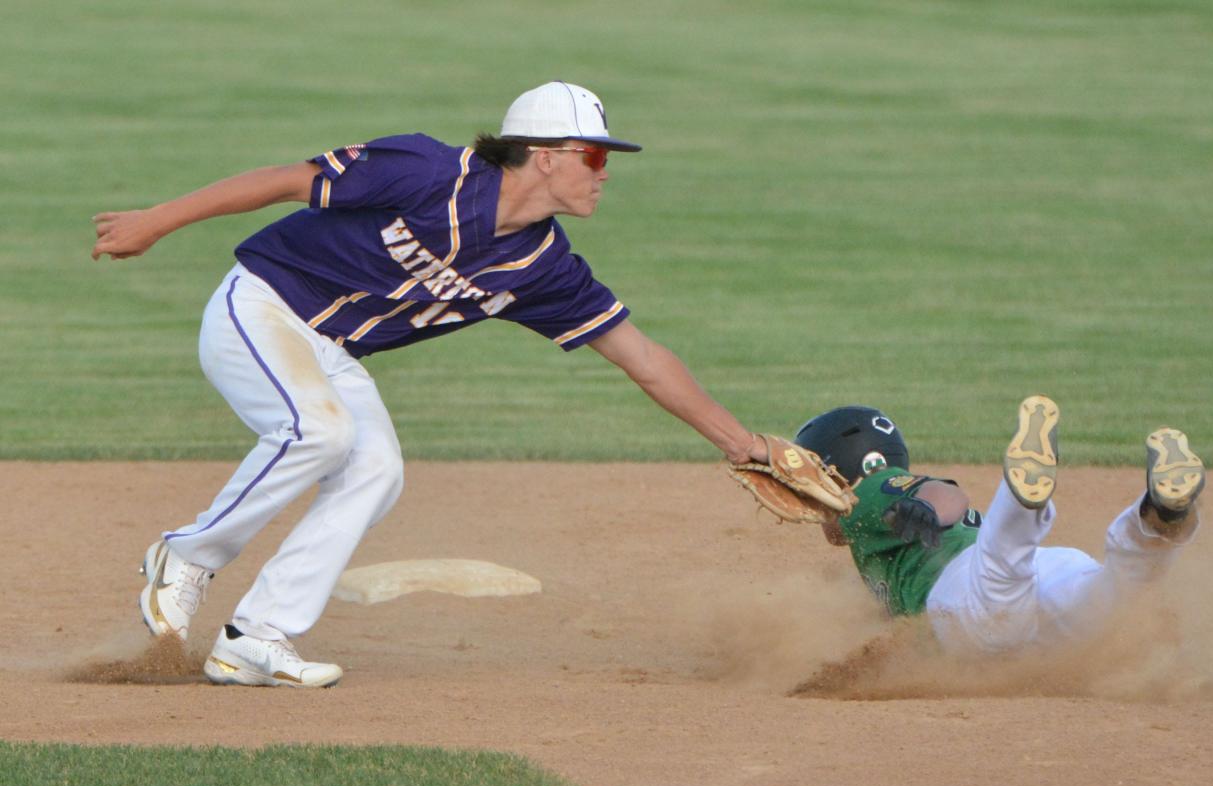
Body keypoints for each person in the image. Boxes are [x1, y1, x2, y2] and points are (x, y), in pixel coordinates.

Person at [92, 81, 773, 688]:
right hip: (261, 305)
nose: (604, 174)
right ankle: (184, 556)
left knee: (377, 469)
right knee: (321, 432)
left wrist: (744, 444)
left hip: (329, 349)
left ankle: (255, 639)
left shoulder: (543, 266)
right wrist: (155, 221)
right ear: (544, 154)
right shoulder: (425, 170)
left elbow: (642, 357)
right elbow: (281, 180)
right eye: (592, 156)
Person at [793, 395, 1205, 655]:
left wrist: (930, 512)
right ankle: (1159, 516)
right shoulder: (873, 542)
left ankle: (1022, 498)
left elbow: (945, 495)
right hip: (1046, 578)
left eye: (811, 483)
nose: (808, 501)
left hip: (970, 598)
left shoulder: (867, 493)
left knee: (1001, 573)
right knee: (1114, 593)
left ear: (839, 471)